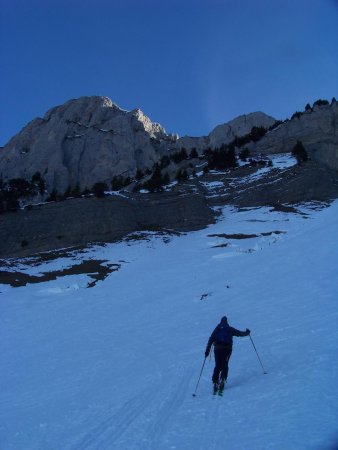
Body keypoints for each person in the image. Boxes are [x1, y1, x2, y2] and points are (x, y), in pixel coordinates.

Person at [205, 316, 250, 390]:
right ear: (227, 321)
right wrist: (247, 333)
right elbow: (239, 333)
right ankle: (222, 379)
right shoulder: (229, 328)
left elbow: (211, 339)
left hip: (217, 349)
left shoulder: (217, 329)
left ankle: (215, 381)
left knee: (218, 365)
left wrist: (207, 351)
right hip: (227, 349)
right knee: (225, 364)